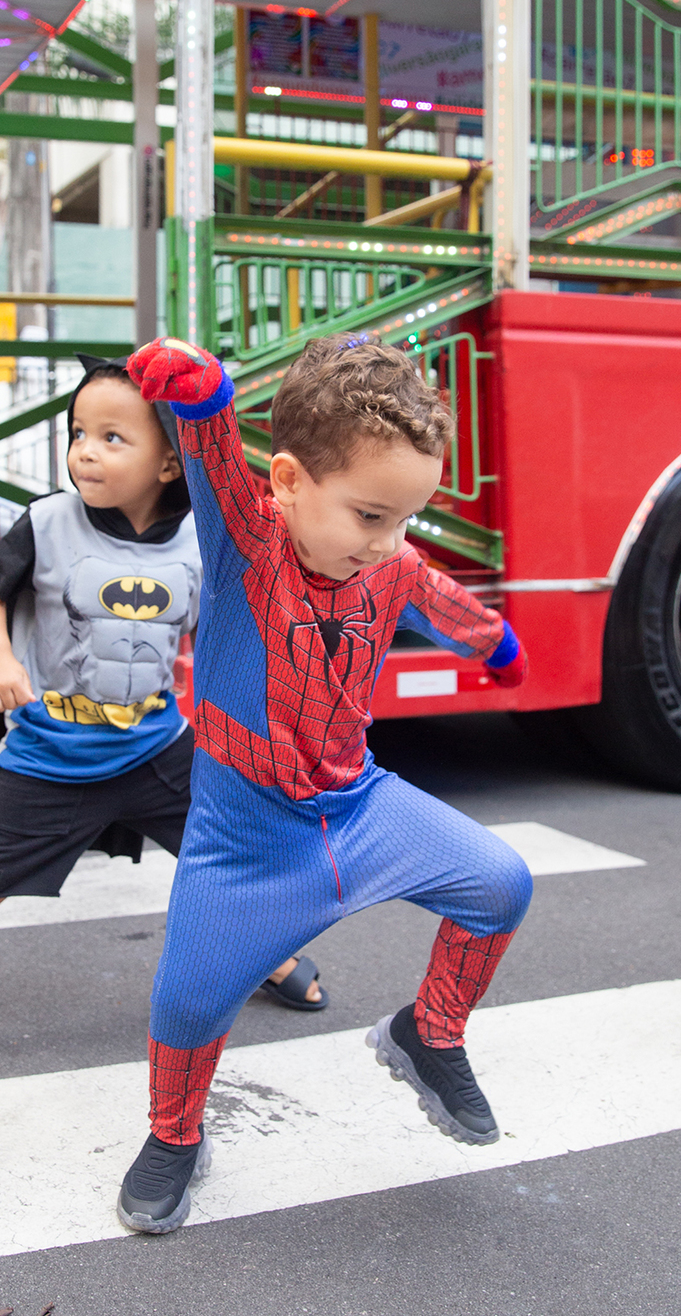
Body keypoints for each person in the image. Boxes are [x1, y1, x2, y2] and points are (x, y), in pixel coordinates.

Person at [115, 333, 533, 1234]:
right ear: (291, 482)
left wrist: (492, 642)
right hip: (243, 834)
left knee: (502, 883)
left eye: (406, 519)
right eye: (373, 516)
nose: (391, 543)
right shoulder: (247, 549)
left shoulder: (388, 559)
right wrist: (204, 404)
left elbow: (435, 592)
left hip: (358, 803)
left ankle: (429, 1034)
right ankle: (175, 1136)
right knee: (188, 1000)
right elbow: (220, 468)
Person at [0, 355, 326, 1087]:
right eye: (78, 433)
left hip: (157, 744)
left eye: (111, 437)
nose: (85, 452)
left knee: (227, 853)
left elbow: (234, 621)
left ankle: (270, 955)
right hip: (52, 752)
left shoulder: (200, 537)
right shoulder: (48, 522)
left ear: (169, 462)